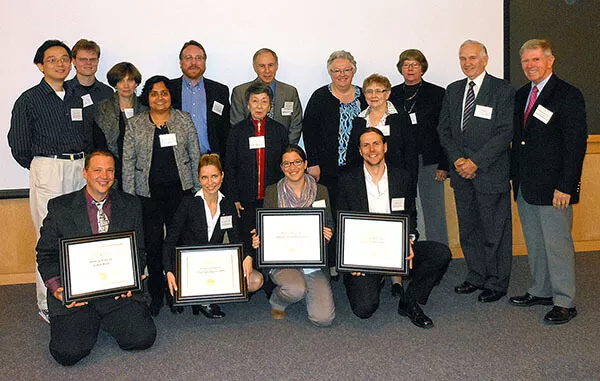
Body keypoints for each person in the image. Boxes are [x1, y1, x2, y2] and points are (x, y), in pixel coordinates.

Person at [36, 150, 156, 366]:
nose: (104, 176)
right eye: (97, 170)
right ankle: (90, 321)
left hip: (117, 294)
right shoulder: (60, 207)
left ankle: (105, 320)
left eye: (109, 170)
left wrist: (132, 280)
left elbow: (139, 249)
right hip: (78, 297)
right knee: (67, 354)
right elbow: (45, 254)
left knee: (142, 338)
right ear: (85, 173)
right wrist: (58, 288)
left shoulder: (130, 205)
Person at [8, 40, 89, 322]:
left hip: (80, 168)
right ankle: (47, 301)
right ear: (40, 65)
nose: (60, 64)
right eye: (52, 60)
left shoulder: (77, 97)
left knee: (80, 233)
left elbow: (87, 134)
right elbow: (18, 144)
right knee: (50, 236)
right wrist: (42, 166)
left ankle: (80, 293)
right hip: (49, 167)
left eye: (65, 58)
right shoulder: (28, 99)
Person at [337, 128, 451, 328]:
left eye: (376, 144)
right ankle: (377, 279)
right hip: (364, 255)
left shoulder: (402, 177)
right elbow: (341, 222)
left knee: (440, 253)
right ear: (360, 151)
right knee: (364, 309)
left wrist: (409, 240)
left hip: (395, 248)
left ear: (385, 147)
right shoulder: (347, 180)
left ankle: (410, 301)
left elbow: (410, 215)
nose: (372, 149)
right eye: (366, 145)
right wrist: (350, 261)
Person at [509, 39, 587, 325]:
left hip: (555, 189)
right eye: (525, 61)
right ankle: (541, 290)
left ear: (550, 61)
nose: (530, 66)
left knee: (557, 245)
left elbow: (575, 145)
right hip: (526, 186)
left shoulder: (567, 94)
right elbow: (520, 141)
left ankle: (564, 301)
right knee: (536, 242)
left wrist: (567, 186)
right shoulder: (521, 95)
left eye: (535, 60)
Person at [437, 40, 515, 303]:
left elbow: (506, 132)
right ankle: (476, 275)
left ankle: (496, 281)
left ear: (485, 59)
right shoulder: (454, 90)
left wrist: (476, 162)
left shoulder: (502, 90)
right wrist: (459, 160)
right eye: (463, 58)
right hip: (461, 174)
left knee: (495, 230)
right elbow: (444, 130)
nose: (467, 63)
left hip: (490, 172)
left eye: (472, 58)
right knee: (469, 229)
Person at [122, 75, 201, 316]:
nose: (160, 98)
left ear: (171, 96)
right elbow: (128, 161)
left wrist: (198, 190)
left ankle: (179, 293)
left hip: (181, 192)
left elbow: (195, 154)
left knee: (180, 243)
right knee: (153, 245)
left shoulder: (183, 119)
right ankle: (156, 293)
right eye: (154, 93)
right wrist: (129, 196)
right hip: (148, 195)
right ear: (147, 97)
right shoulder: (136, 124)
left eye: (164, 93)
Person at [163, 153, 264, 318]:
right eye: (204, 177)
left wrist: (247, 256)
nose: (210, 183)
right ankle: (197, 297)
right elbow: (170, 241)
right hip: (191, 266)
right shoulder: (188, 203)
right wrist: (168, 270)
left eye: (214, 176)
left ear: (222, 176)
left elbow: (236, 237)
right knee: (178, 290)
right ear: (198, 179)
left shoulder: (228, 204)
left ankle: (205, 297)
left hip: (214, 264)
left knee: (255, 280)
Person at [251, 145, 335, 326]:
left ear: (305, 164)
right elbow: (267, 226)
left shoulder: (321, 191)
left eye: (297, 162)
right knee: (295, 289)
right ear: (281, 168)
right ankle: (277, 301)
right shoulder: (272, 191)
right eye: (286, 164)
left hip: (312, 263)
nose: (292, 167)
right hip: (283, 260)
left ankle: (308, 290)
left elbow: (329, 222)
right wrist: (260, 239)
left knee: (323, 319)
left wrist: (327, 234)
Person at [389, 49, 449, 246]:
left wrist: (444, 164)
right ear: (400, 69)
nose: (410, 68)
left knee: (434, 210)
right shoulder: (392, 94)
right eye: (406, 64)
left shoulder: (438, 94)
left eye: (415, 64)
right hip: (400, 162)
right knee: (403, 208)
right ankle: (406, 253)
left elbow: (445, 131)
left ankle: (439, 253)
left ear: (423, 67)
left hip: (429, 160)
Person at [224, 83, 289, 257]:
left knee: (271, 237)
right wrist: (234, 197)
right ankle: (250, 275)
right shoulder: (237, 132)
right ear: (248, 104)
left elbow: (285, 165)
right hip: (245, 198)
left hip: (271, 197)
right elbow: (229, 166)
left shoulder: (279, 131)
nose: (259, 106)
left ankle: (270, 276)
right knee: (248, 237)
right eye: (255, 101)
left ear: (270, 106)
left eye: (264, 101)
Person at [170, 40, 231, 157]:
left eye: (199, 58)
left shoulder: (220, 91)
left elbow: (225, 130)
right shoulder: (168, 90)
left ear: (205, 62)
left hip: (211, 161)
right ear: (180, 63)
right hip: (177, 162)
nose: (194, 62)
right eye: (188, 58)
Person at [230, 48, 303, 144]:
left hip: (283, 152)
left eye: (271, 65)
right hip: (251, 152)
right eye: (262, 66)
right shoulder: (240, 92)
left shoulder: (290, 92)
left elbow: (296, 125)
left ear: (277, 66)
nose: (267, 70)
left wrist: (286, 150)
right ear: (254, 68)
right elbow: (237, 125)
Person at [94, 62, 146, 190]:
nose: (126, 85)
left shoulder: (145, 109)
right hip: (111, 169)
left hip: (140, 169)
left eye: (130, 80)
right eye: (121, 81)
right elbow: (99, 142)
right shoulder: (102, 109)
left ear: (136, 83)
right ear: (115, 84)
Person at [65, 39, 113, 122]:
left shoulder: (107, 93)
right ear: (74, 61)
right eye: (83, 59)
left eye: (92, 59)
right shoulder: (63, 90)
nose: (88, 63)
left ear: (97, 61)